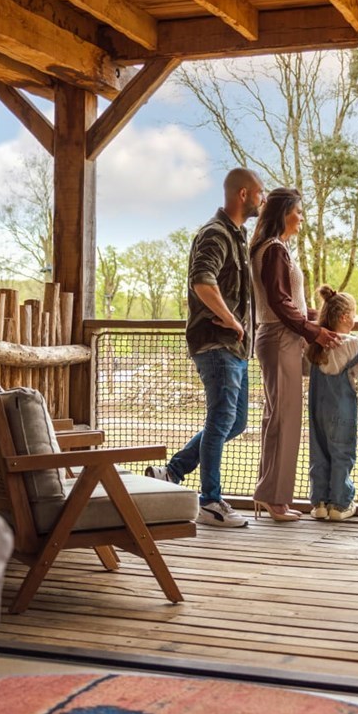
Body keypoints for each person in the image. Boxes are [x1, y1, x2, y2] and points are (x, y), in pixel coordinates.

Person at [145, 168, 265, 528]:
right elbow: (202, 281)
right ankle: (210, 501)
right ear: (243, 194)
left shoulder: (237, 236)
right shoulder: (215, 233)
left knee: (235, 421)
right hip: (216, 343)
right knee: (221, 419)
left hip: (235, 349)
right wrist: (231, 320)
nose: (262, 199)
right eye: (259, 192)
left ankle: (172, 472)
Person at [249, 187, 341, 521]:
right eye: (298, 211)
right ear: (284, 213)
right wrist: (313, 331)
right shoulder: (274, 249)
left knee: (277, 418)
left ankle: (270, 495)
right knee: (285, 419)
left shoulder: (273, 247)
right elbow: (279, 301)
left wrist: (319, 319)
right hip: (280, 338)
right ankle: (275, 500)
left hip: (280, 337)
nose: (302, 217)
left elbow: (289, 302)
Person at [305, 286, 358, 521]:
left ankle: (320, 502)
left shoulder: (315, 344)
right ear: (345, 317)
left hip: (317, 408)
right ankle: (340, 504)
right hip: (342, 410)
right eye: (354, 314)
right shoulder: (352, 344)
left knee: (319, 451)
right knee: (342, 452)